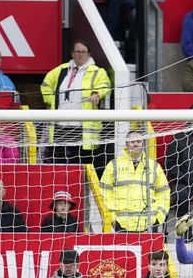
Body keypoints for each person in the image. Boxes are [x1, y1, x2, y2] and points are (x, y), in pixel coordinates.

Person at [41, 39, 112, 167]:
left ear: (89, 54)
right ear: (72, 54)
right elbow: (46, 84)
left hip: (82, 128)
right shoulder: (61, 70)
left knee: (81, 164)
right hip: (59, 126)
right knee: (58, 163)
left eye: (83, 52)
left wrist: (96, 93)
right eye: (77, 51)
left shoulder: (97, 72)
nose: (80, 54)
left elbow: (105, 85)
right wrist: (49, 101)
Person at [100, 130, 170, 233]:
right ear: (126, 144)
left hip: (149, 224)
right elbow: (104, 192)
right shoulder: (114, 165)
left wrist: (158, 217)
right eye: (132, 141)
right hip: (121, 224)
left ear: (143, 144)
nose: (136, 144)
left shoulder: (154, 166)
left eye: (139, 141)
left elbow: (163, 193)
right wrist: (113, 218)